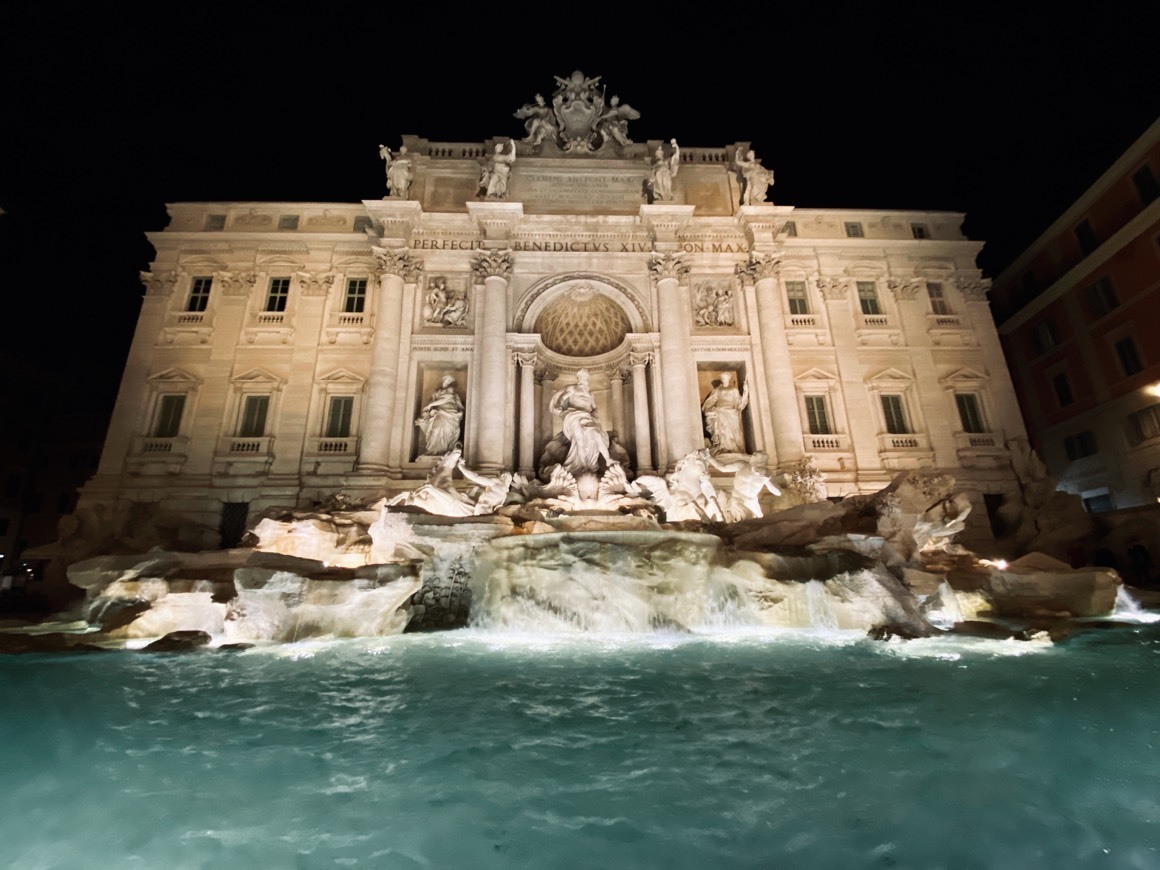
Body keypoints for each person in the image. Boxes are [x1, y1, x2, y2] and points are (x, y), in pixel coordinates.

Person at [549, 369, 611, 474]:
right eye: (582, 377)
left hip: (587, 417)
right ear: (579, 378)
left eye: (586, 377)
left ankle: (603, 461)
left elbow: (594, 408)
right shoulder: (573, 388)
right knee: (579, 440)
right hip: (574, 416)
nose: (584, 379)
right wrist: (559, 406)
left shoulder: (590, 394)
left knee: (596, 435)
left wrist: (595, 416)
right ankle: (582, 466)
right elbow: (562, 398)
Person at [708, 451, 781, 521]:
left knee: (754, 525)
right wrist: (708, 457)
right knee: (742, 524)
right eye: (754, 455)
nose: (752, 456)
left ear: (763, 462)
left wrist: (767, 479)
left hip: (751, 502)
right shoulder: (742, 465)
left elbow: (778, 493)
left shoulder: (767, 474)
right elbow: (723, 467)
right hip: (737, 500)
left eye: (755, 456)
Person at [701, 372, 749, 454]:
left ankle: (734, 449)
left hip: (732, 412)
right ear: (721, 379)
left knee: (734, 432)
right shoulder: (717, 390)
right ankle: (723, 448)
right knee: (722, 430)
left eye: (726, 378)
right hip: (720, 411)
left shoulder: (734, 390)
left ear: (729, 379)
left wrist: (746, 391)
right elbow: (711, 400)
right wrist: (709, 409)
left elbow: (739, 402)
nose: (725, 379)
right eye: (723, 378)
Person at [415, 376, 464, 456]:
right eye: (446, 380)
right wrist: (428, 411)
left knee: (446, 431)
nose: (447, 382)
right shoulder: (437, 392)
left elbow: (447, 401)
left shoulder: (452, 392)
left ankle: (443, 451)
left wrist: (430, 405)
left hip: (450, 415)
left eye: (450, 381)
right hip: (439, 413)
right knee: (436, 429)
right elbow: (433, 401)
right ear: (443, 380)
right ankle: (433, 450)